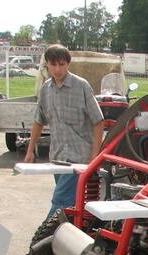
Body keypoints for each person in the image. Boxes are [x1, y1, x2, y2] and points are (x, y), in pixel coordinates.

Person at [24, 44, 104, 217]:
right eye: (53, 64)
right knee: (70, 204)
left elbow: (98, 121)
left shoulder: (81, 86)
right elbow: (38, 121)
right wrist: (30, 151)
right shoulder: (46, 90)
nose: (57, 69)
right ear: (47, 65)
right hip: (57, 157)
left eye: (61, 64)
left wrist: (94, 155)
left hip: (78, 158)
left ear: (68, 64)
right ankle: (72, 231)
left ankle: (44, 234)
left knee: (60, 202)